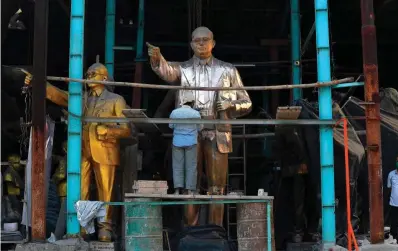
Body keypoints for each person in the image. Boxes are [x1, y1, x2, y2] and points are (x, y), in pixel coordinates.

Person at [147, 26, 252, 226]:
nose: (201, 43)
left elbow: (247, 102)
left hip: (218, 131)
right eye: (197, 40)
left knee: (217, 186)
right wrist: (156, 58)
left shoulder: (228, 70)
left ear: (213, 43)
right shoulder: (183, 69)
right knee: (189, 185)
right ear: (191, 44)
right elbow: (167, 71)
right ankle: (190, 231)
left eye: (206, 39)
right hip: (190, 131)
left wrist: (232, 105)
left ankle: (216, 231)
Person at [23, 62, 131, 242]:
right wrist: (39, 84)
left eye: (93, 73)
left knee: (106, 190)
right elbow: (61, 96)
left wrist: (108, 131)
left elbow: (126, 128)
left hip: (105, 150)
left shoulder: (116, 100)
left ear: (104, 78)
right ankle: (83, 227)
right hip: (82, 150)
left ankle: (106, 227)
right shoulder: (81, 99)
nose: (88, 76)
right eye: (87, 73)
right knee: (81, 189)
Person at [169, 92, 202, 195]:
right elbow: (200, 128)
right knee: (191, 166)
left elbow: (171, 126)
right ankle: (189, 190)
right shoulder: (196, 114)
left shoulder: (174, 112)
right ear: (192, 103)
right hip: (191, 142)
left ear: (182, 102)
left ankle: (177, 190)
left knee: (177, 166)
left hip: (177, 142)